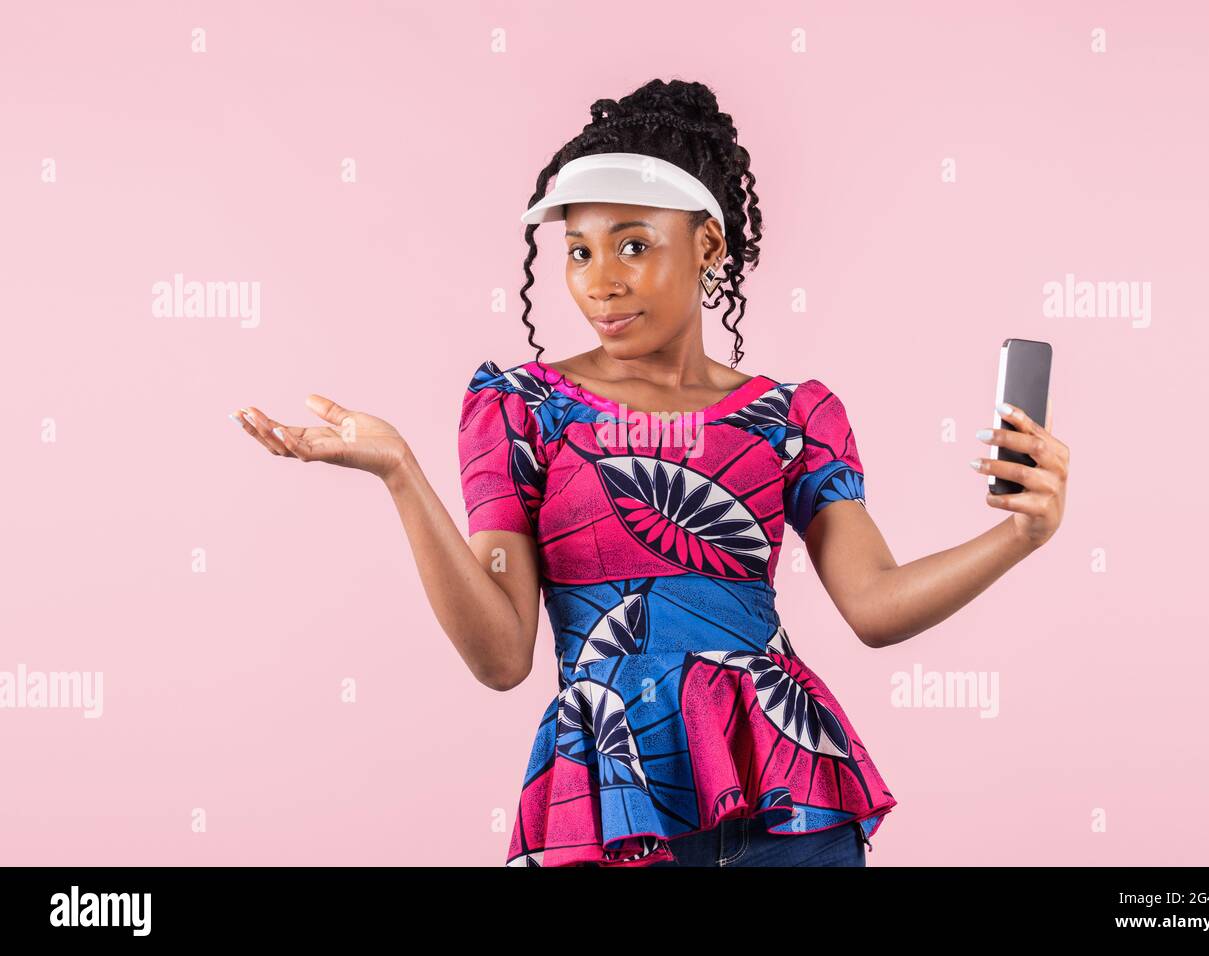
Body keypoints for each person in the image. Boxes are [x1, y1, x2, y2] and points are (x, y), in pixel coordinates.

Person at [229, 79, 1069, 867]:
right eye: (580, 251)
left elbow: (877, 606)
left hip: (791, 804)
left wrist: (1021, 533)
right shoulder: (520, 408)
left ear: (707, 242)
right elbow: (499, 657)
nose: (602, 282)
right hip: (609, 798)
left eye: (634, 244)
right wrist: (400, 473)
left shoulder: (794, 415)